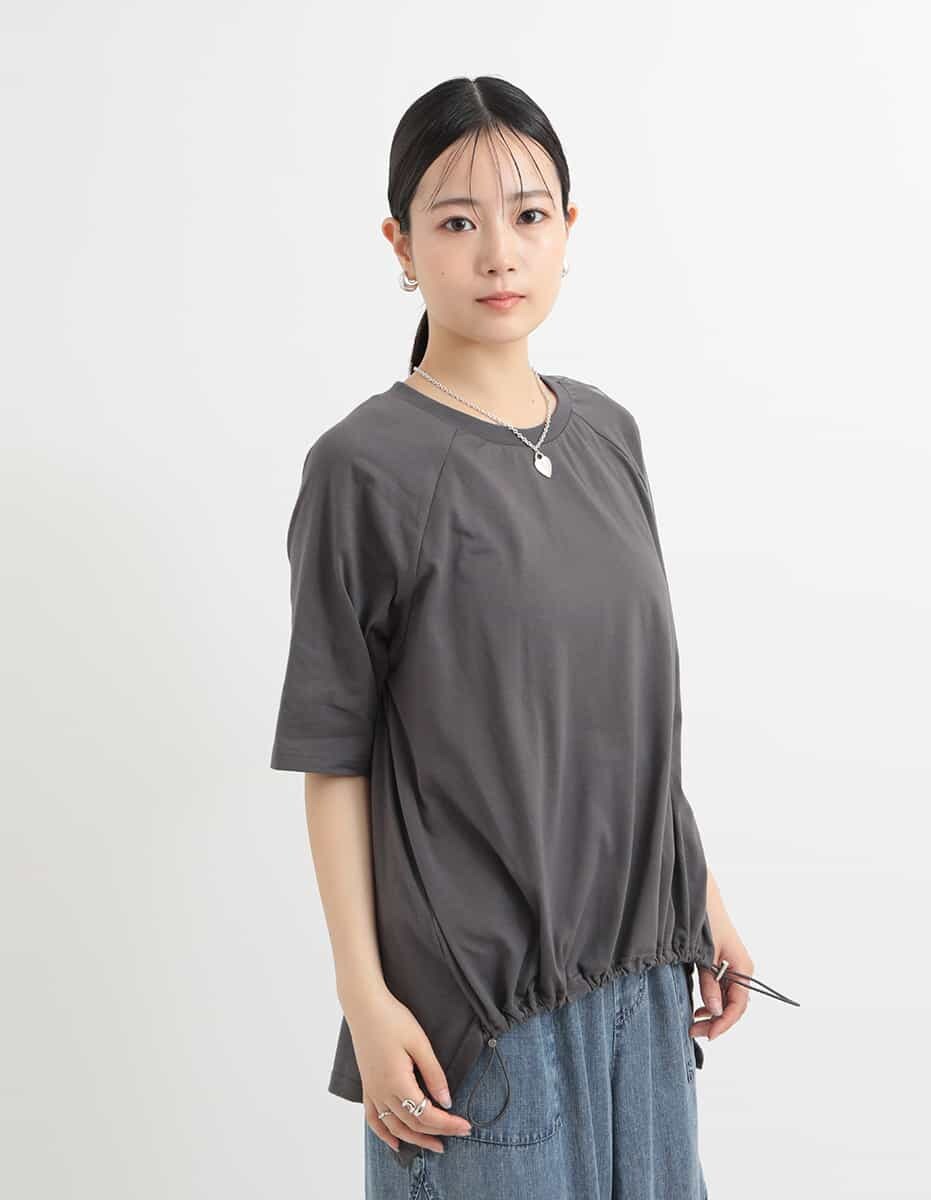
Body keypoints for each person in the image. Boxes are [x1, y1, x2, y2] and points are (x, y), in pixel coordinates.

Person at [270, 74, 773, 1200]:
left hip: (645, 990)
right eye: (457, 222)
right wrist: (365, 996)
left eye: (528, 214)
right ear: (401, 245)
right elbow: (332, 756)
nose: (499, 252)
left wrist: (700, 901)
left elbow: (618, 715)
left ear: (567, 231)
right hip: (482, 1026)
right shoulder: (363, 467)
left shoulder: (608, 434)